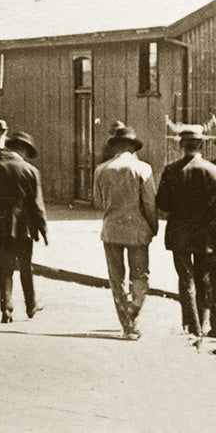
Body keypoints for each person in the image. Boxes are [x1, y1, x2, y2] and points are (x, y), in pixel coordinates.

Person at [93, 126, 157, 340]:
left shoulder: (101, 169)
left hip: (110, 230)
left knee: (116, 278)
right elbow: (149, 203)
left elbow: (97, 201)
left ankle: (128, 325)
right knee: (140, 275)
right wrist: (153, 226)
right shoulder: (143, 169)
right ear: (132, 147)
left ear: (116, 147)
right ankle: (134, 309)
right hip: (138, 231)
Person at [155, 124, 216, 339]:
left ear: (181, 145)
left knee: (185, 278)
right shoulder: (212, 170)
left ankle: (192, 325)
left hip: (179, 232)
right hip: (205, 234)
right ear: (201, 144)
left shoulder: (171, 170)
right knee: (203, 278)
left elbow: (162, 203)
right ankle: (204, 321)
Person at [0, 130, 48, 323]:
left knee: (5, 269)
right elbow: (37, 204)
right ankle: (30, 305)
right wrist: (43, 229)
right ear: (24, 150)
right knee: (26, 267)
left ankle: (7, 309)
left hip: (2, 227)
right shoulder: (30, 171)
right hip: (24, 227)